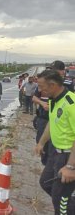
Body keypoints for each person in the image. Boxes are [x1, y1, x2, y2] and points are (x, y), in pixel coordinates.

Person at [35, 69, 75, 215]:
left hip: (69, 157)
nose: (40, 91)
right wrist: (41, 143)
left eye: (41, 87)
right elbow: (52, 123)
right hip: (55, 153)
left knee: (60, 202)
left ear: (52, 85)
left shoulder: (71, 103)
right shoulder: (54, 100)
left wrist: (71, 167)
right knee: (45, 182)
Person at [32, 74, 51, 165]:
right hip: (42, 118)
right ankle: (45, 162)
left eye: (41, 86)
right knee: (40, 140)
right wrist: (42, 103)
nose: (39, 89)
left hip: (53, 120)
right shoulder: (40, 89)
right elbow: (34, 98)